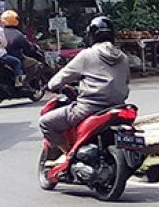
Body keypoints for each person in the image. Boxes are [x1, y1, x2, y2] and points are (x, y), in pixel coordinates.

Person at [39, 16, 130, 165]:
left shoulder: (87, 55)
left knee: (46, 122)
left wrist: (51, 85)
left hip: (89, 108)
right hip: (118, 106)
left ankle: (68, 154)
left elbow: (62, 77)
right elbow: (126, 81)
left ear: (92, 35)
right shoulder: (124, 57)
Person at [0, 10, 46, 87]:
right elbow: (28, 47)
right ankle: (25, 82)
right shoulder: (18, 34)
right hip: (16, 57)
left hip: (0, 57)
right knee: (35, 64)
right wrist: (33, 48)